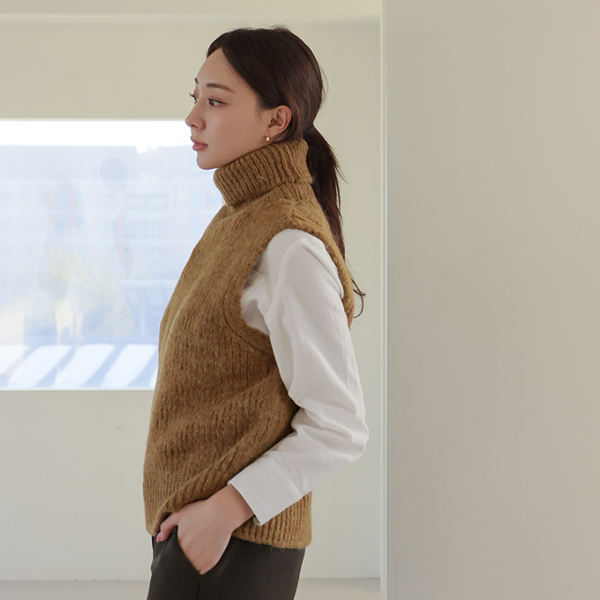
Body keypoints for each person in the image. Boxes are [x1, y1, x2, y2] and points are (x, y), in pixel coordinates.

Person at [143, 25, 368, 600]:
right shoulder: (239, 219)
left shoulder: (289, 243)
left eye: (216, 102)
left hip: (232, 541)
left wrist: (223, 512)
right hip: (204, 536)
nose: (193, 118)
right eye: (195, 97)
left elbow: (340, 424)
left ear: (277, 120)